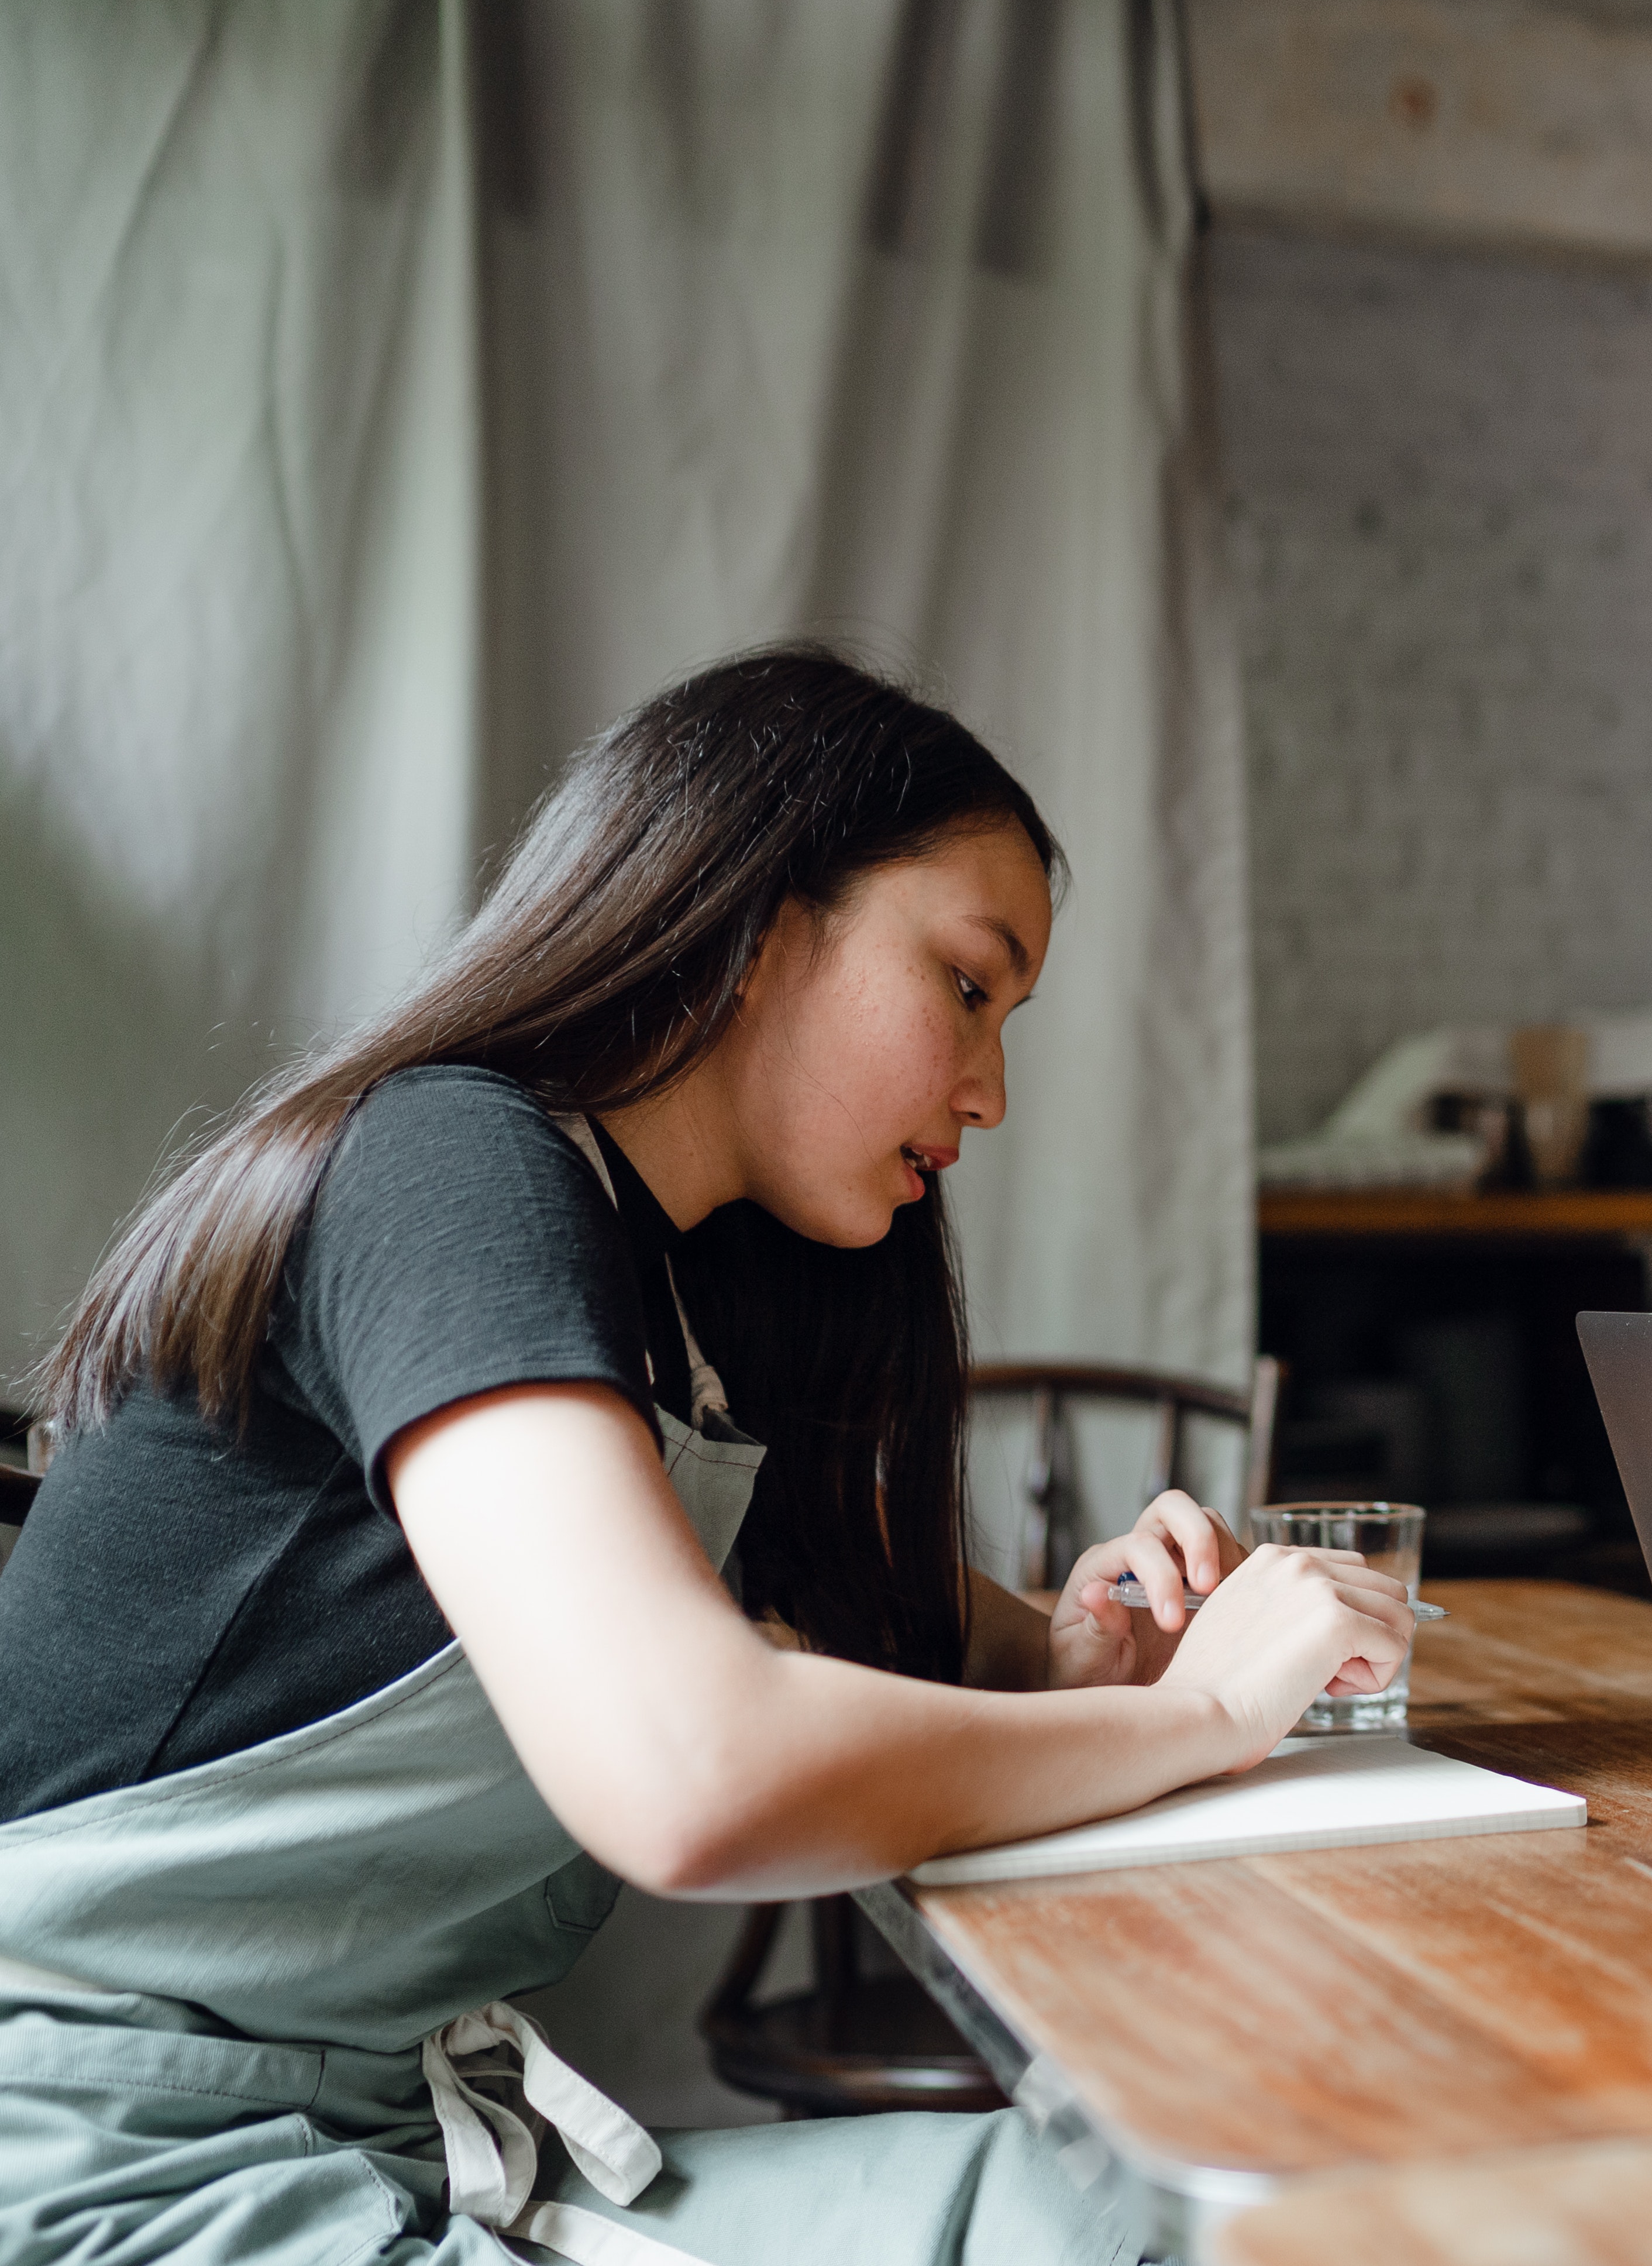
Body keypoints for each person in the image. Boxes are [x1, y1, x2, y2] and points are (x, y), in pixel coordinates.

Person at [0, 651, 1410, 2266]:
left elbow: (859, 1629)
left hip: (370, 2150)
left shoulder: (662, 1289)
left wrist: (1071, 1651)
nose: (991, 1090)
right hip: (114, 2194)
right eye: (966, 983)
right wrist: (1199, 1715)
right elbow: (690, 1768)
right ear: (758, 917)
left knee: (1159, 2210)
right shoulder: (451, 1162)